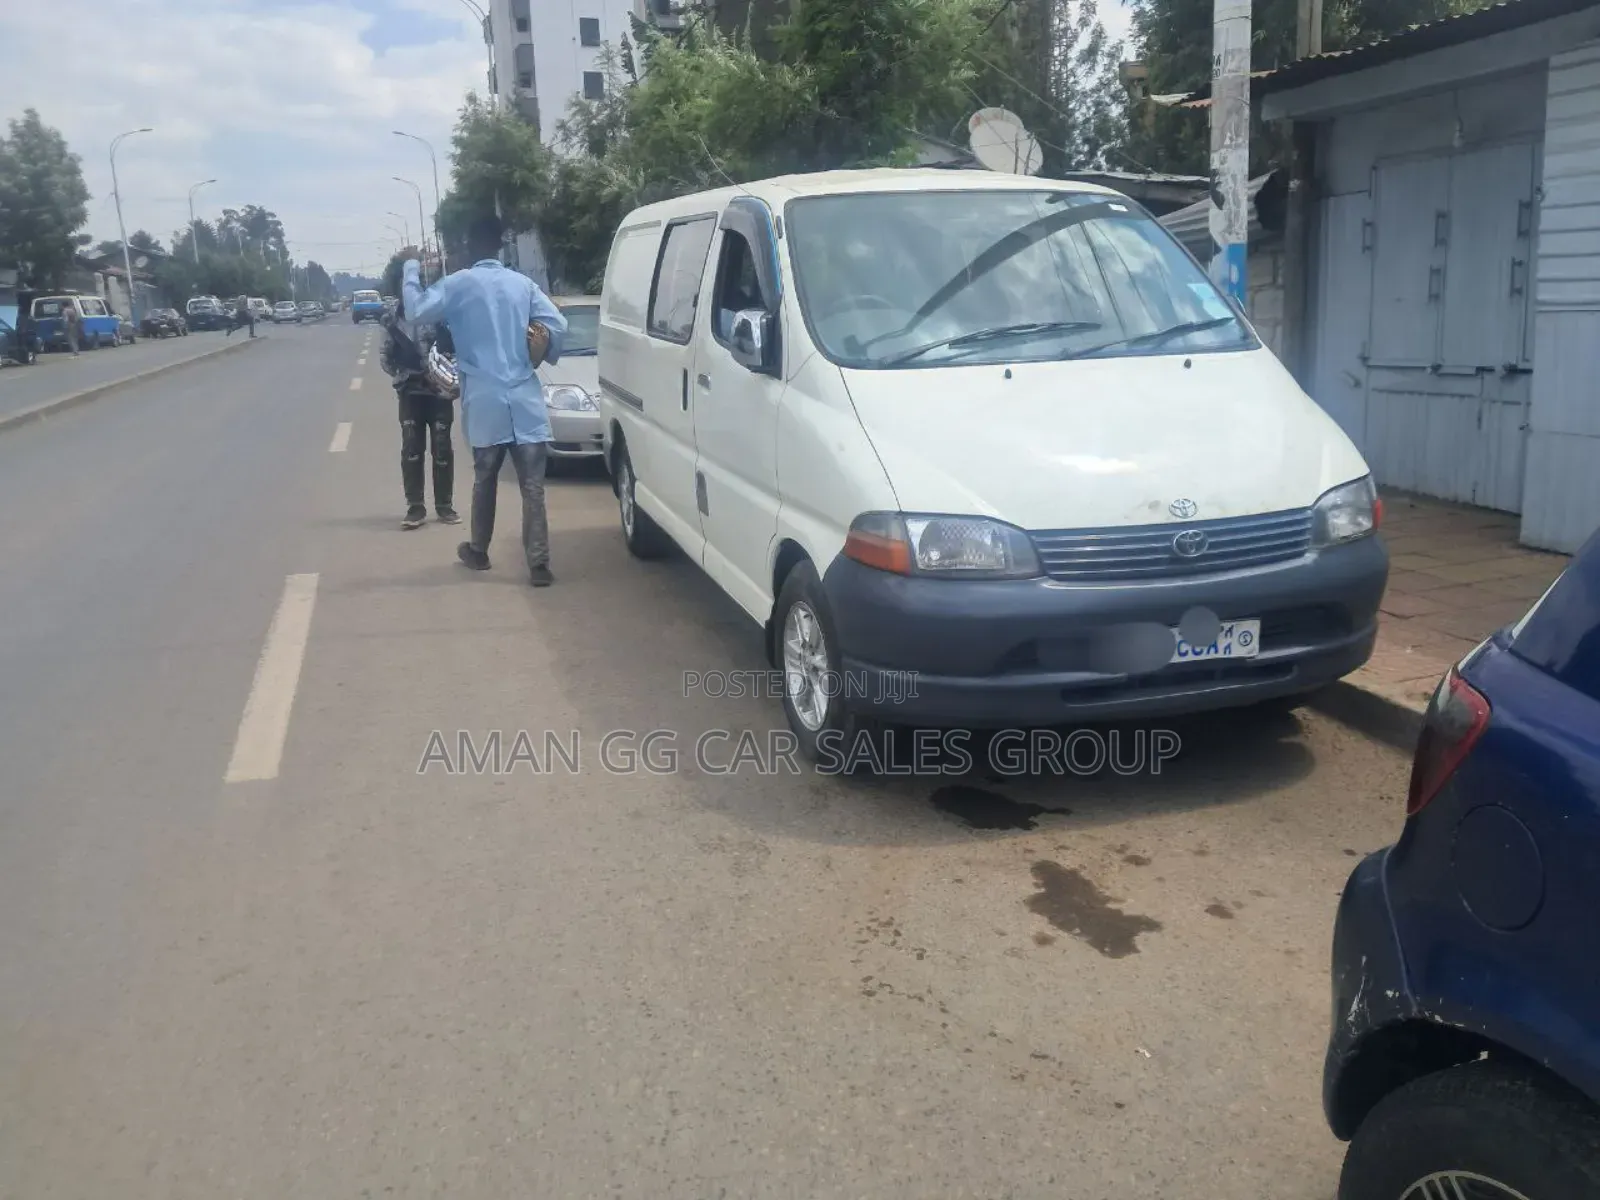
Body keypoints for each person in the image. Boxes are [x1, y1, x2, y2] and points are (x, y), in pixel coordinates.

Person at [400, 216, 568, 587]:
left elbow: (415, 311)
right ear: (498, 247)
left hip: (485, 401)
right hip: (525, 399)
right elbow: (557, 326)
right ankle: (538, 565)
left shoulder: (459, 284)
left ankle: (479, 551)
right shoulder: (522, 284)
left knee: (484, 479)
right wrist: (539, 353)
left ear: (468, 248)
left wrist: (411, 266)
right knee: (533, 488)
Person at [378, 273, 458, 530]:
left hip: (439, 393)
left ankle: (444, 506)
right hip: (410, 393)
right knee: (412, 449)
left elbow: (455, 350)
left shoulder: (439, 316)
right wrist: (404, 378)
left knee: (442, 448)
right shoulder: (392, 320)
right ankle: (415, 507)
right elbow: (385, 357)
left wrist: (445, 378)